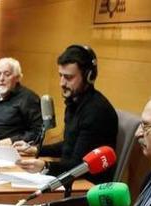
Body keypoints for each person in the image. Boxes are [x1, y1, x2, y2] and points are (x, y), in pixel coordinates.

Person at [14, 45, 118, 183]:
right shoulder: (74, 102)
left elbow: (81, 166)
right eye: (60, 76)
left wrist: (46, 166)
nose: (62, 83)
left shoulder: (96, 112)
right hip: (71, 177)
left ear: (89, 76)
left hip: (86, 186)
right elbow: (69, 145)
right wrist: (36, 150)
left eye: (68, 77)